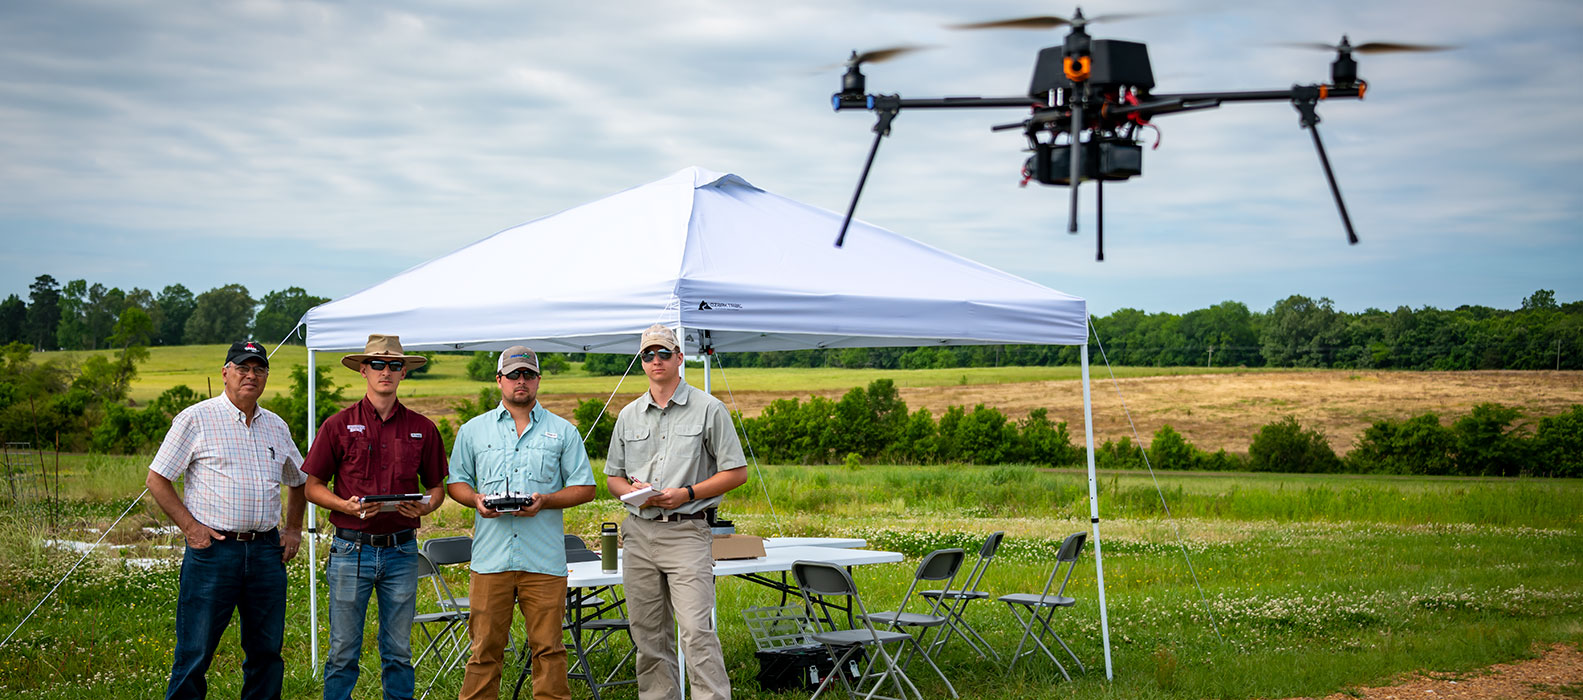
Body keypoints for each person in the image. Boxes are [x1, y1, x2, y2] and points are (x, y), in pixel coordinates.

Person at [145, 341, 308, 700]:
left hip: (266, 551)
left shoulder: (276, 426)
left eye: (259, 369)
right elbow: (157, 479)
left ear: (266, 376)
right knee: (195, 652)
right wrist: (191, 528)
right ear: (225, 373)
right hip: (214, 551)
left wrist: (293, 528)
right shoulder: (195, 418)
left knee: (266, 652)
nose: (251, 376)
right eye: (242, 368)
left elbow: (300, 480)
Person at [604, 324, 748, 700]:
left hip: (687, 531)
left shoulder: (709, 409)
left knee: (697, 632)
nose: (655, 361)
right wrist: (637, 496)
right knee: (648, 634)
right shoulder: (628, 415)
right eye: (648, 355)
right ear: (642, 362)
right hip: (638, 532)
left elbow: (736, 472)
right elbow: (613, 479)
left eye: (663, 353)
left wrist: (686, 493)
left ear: (679, 358)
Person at [302, 334, 448, 700]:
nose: (386, 372)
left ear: (403, 374)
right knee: (342, 650)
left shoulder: (423, 428)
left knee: (399, 650)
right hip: (352, 548)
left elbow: (436, 488)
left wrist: (426, 506)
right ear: (363, 370)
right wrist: (345, 505)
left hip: (401, 551)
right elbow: (312, 487)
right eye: (379, 365)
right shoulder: (337, 425)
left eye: (395, 365)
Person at [447, 345, 596, 700]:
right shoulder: (473, 431)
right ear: (499, 380)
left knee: (549, 650)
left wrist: (546, 501)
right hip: (490, 560)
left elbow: (585, 487)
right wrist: (476, 500)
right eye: (513, 374)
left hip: (543, 559)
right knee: (484, 651)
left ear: (538, 380)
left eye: (528, 374)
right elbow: (456, 483)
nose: (521, 381)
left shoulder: (563, 432)